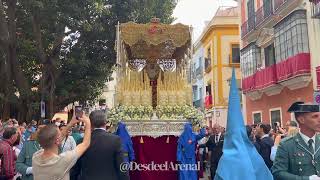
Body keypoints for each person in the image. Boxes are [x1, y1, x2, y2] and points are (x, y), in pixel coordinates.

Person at [32, 112, 91, 180]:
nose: (61, 134)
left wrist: (71, 123)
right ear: (57, 141)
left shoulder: (36, 157)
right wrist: (88, 123)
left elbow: (56, 139)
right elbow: (85, 144)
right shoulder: (62, 161)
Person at [272, 102, 320, 180]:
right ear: (301, 120)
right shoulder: (286, 145)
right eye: (315, 116)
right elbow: (278, 172)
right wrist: (307, 179)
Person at [78, 110, 129, 180]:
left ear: (90, 123)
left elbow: (75, 169)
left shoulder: (82, 141)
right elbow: (122, 166)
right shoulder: (115, 140)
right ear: (105, 122)